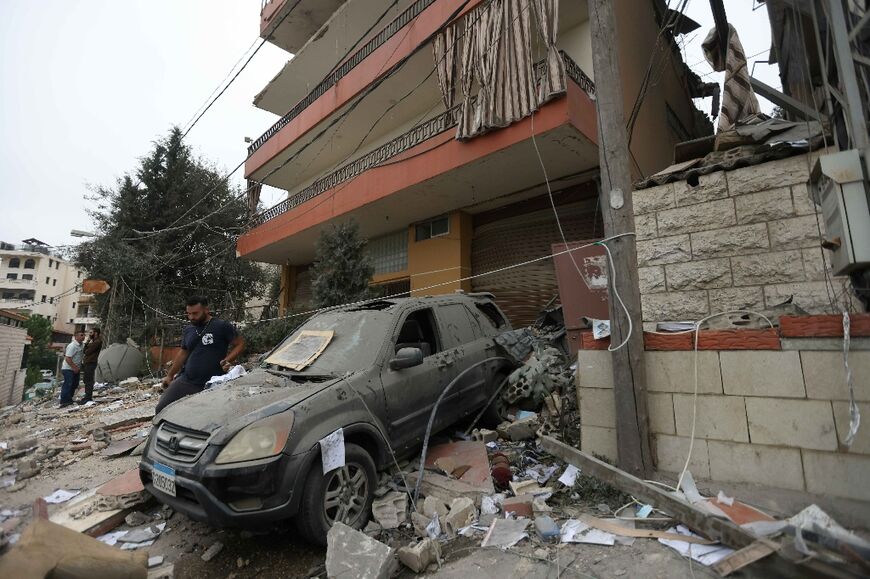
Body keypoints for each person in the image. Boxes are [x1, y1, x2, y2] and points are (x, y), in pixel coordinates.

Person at [155, 296, 245, 414]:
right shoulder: (189, 330)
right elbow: (183, 353)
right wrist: (170, 375)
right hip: (187, 380)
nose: (191, 317)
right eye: (189, 314)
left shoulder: (221, 326)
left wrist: (228, 360)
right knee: (161, 408)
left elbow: (240, 344)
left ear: (206, 310)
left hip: (212, 383)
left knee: (205, 414)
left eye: (195, 313)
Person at [59, 331, 86, 408]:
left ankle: (69, 399)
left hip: (76, 369)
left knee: (75, 384)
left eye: (84, 335)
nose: (83, 336)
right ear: (76, 337)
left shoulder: (81, 345)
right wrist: (74, 367)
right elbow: (68, 358)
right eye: (81, 335)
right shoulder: (72, 346)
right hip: (68, 369)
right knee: (68, 384)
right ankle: (64, 401)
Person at [77, 327, 103, 404]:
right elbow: (85, 350)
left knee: (88, 380)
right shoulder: (93, 341)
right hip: (88, 363)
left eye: (91, 333)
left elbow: (87, 352)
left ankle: (88, 397)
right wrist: (88, 342)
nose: (89, 334)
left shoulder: (97, 342)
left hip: (91, 363)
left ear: (96, 333)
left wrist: (88, 343)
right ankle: (87, 396)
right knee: (86, 380)